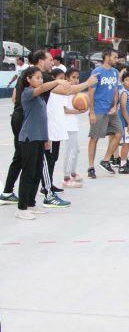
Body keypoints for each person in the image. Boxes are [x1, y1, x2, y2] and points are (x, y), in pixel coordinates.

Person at [14, 67, 67, 219]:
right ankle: (21, 208)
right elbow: (43, 88)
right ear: (28, 80)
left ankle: (31, 203)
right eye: (37, 77)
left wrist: (46, 138)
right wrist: (57, 81)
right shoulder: (27, 93)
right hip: (29, 138)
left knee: (37, 172)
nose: (40, 80)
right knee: (28, 173)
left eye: (41, 77)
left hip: (39, 137)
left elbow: (43, 120)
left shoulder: (40, 97)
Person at [43, 68, 95, 200]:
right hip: (66, 124)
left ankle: (71, 172)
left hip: (72, 123)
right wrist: (78, 111)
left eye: (77, 77)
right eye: (73, 77)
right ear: (66, 78)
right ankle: (66, 177)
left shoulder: (73, 90)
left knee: (75, 150)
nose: (76, 80)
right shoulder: (64, 91)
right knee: (70, 150)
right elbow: (64, 109)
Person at [87, 48, 123, 179]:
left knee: (119, 133)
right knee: (94, 138)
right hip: (98, 110)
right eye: (114, 57)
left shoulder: (115, 72)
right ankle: (91, 167)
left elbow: (115, 90)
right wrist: (91, 112)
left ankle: (106, 160)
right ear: (107, 57)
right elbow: (90, 92)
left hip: (111, 110)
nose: (116, 59)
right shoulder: (97, 72)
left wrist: (115, 106)